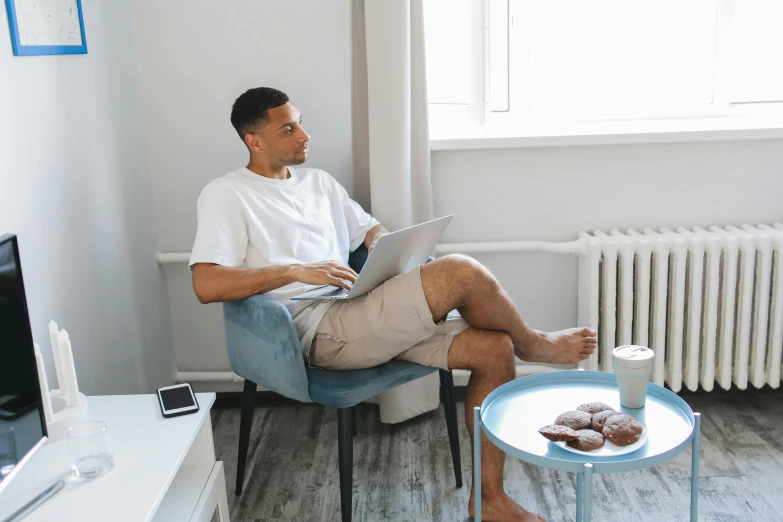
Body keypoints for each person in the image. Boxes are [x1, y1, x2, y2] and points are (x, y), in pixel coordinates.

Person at [190, 87, 597, 522]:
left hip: (358, 309)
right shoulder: (226, 194)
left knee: (494, 350)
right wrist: (292, 271)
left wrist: (386, 246)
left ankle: (490, 502)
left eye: (300, 121)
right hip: (316, 332)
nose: (304, 134)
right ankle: (532, 343)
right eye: (288, 129)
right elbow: (205, 282)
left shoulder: (319, 183)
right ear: (254, 141)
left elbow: (368, 229)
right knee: (459, 272)